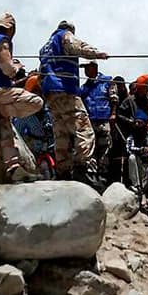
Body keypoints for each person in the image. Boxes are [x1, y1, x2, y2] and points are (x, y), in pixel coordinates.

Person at [0, 13, 43, 181]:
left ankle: (13, 167)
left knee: (5, 126)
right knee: (36, 102)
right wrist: (17, 67)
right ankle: (5, 110)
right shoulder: (2, 41)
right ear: (11, 28)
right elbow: (7, 69)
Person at [39, 20, 109, 181]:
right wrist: (96, 54)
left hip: (50, 94)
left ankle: (62, 171)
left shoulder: (44, 48)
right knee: (84, 129)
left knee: (61, 133)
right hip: (65, 89)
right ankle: (81, 168)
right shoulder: (64, 35)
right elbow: (76, 45)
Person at [81, 61, 119, 179]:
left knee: (104, 147)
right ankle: (92, 175)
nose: (85, 70)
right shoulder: (84, 87)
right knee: (91, 148)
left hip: (104, 120)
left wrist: (113, 114)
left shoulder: (107, 81)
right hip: (90, 121)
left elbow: (114, 99)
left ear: (94, 67)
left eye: (88, 67)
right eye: (84, 68)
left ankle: (103, 174)